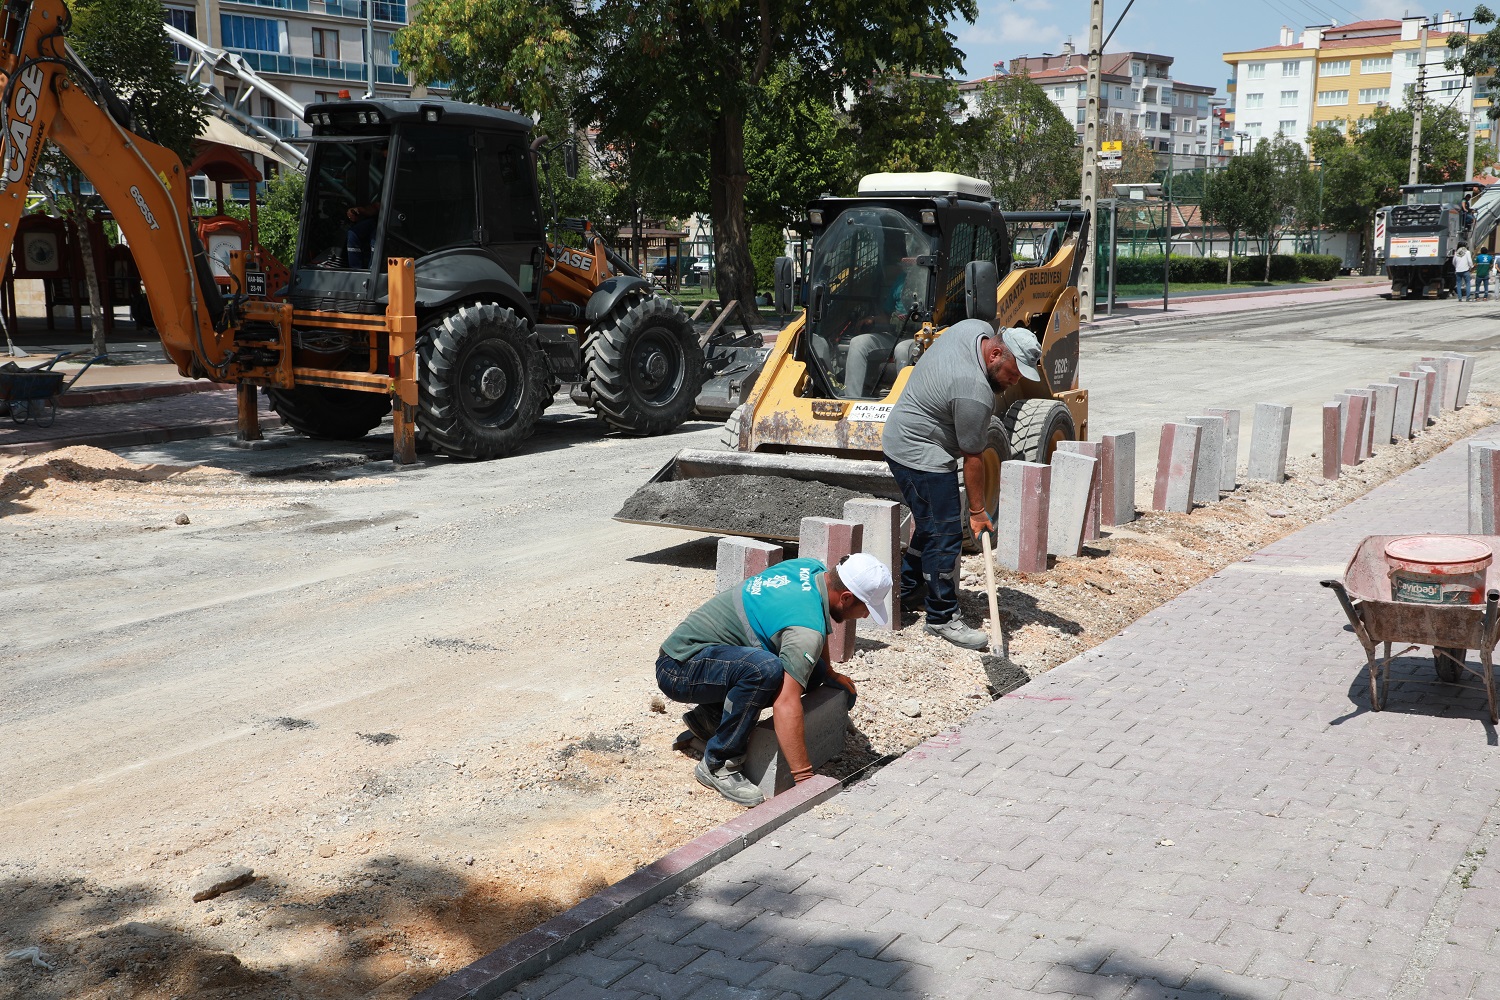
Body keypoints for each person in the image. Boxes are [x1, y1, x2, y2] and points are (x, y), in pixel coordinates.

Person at [655, 553, 892, 806]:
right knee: (764, 670)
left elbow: (814, 628)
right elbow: (786, 703)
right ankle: (718, 762)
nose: (866, 615)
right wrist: (804, 779)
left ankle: (711, 718)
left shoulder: (811, 569)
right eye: (865, 607)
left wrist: (829, 672)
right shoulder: (806, 631)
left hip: (711, 659)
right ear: (846, 598)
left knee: (811, 672)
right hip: (680, 668)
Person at [882, 321, 1042, 650]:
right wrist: (978, 511)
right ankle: (941, 618)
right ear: (996, 353)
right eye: (1014, 372)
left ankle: (908, 588)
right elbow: (972, 460)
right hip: (917, 450)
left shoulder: (973, 329)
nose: (1015, 381)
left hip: (904, 435)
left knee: (930, 525)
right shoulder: (974, 392)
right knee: (945, 532)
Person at [843, 260, 917, 398]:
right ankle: (852, 399)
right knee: (858, 343)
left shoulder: (930, 282)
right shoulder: (902, 280)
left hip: (919, 339)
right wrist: (873, 319)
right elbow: (886, 315)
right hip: (895, 335)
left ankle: (904, 402)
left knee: (901, 349)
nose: (908, 261)